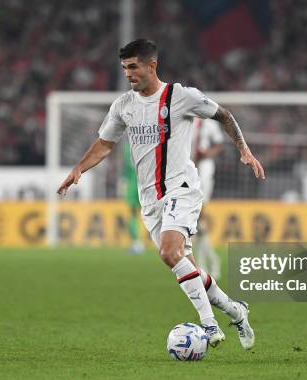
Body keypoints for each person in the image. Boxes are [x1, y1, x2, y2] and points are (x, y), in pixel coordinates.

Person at [58, 39, 265, 349]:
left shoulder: (180, 96)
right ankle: (236, 311)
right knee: (187, 265)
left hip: (181, 189)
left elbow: (223, 114)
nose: (128, 74)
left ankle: (209, 326)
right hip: (150, 200)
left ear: (151, 66)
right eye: (125, 68)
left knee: (169, 252)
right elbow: (105, 143)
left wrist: (244, 149)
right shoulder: (124, 106)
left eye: (133, 67)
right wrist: (78, 168)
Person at [191, 118, 224, 279]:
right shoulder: (183, 119)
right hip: (188, 168)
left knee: (198, 220)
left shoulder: (209, 123)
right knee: (196, 224)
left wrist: (207, 153)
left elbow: (219, 144)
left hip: (203, 169)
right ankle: (209, 263)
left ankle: (207, 264)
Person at [122, 141, 144, 254]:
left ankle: (136, 242)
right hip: (143, 182)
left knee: (133, 213)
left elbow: (126, 167)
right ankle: (136, 242)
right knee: (136, 213)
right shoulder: (146, 142)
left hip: (135, 183)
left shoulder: (128, 147)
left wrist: (124, 180)